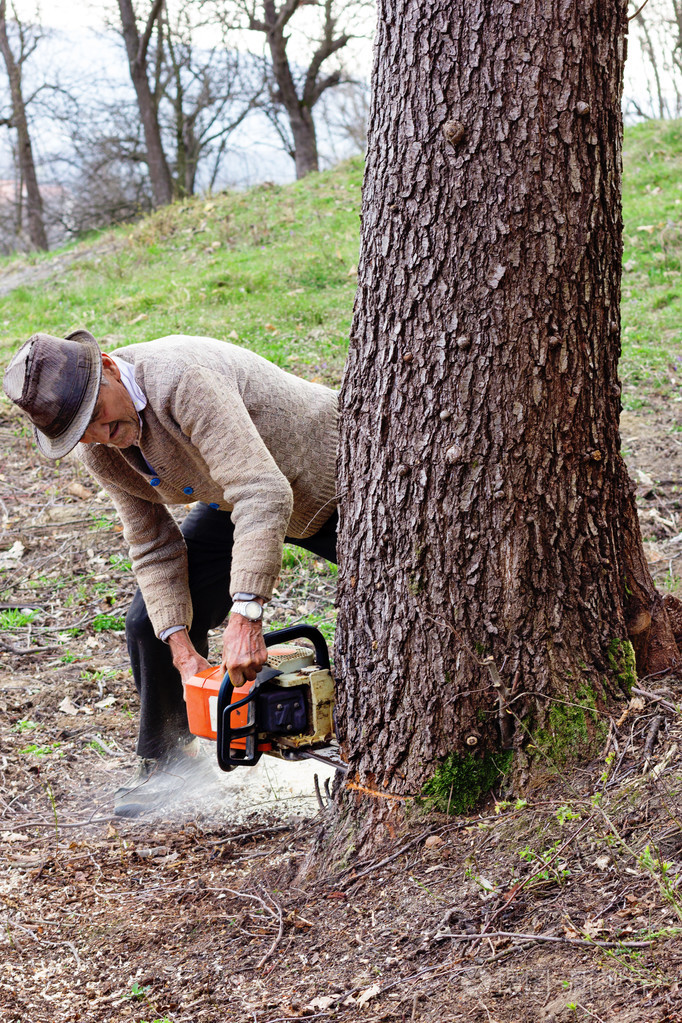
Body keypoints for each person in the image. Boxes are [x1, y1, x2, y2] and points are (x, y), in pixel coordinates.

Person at [3, 329, 338, 816]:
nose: (98, 435)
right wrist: (183, 652)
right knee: (150, 626)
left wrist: (246, 615)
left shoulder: (184, 381)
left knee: (406, 599)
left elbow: (264, 493)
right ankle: (171, 767)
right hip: (236, 498)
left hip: (330, 478)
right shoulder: (97, 448)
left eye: (96, 415)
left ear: (110, 367)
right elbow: (152, 543)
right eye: (80, 432)